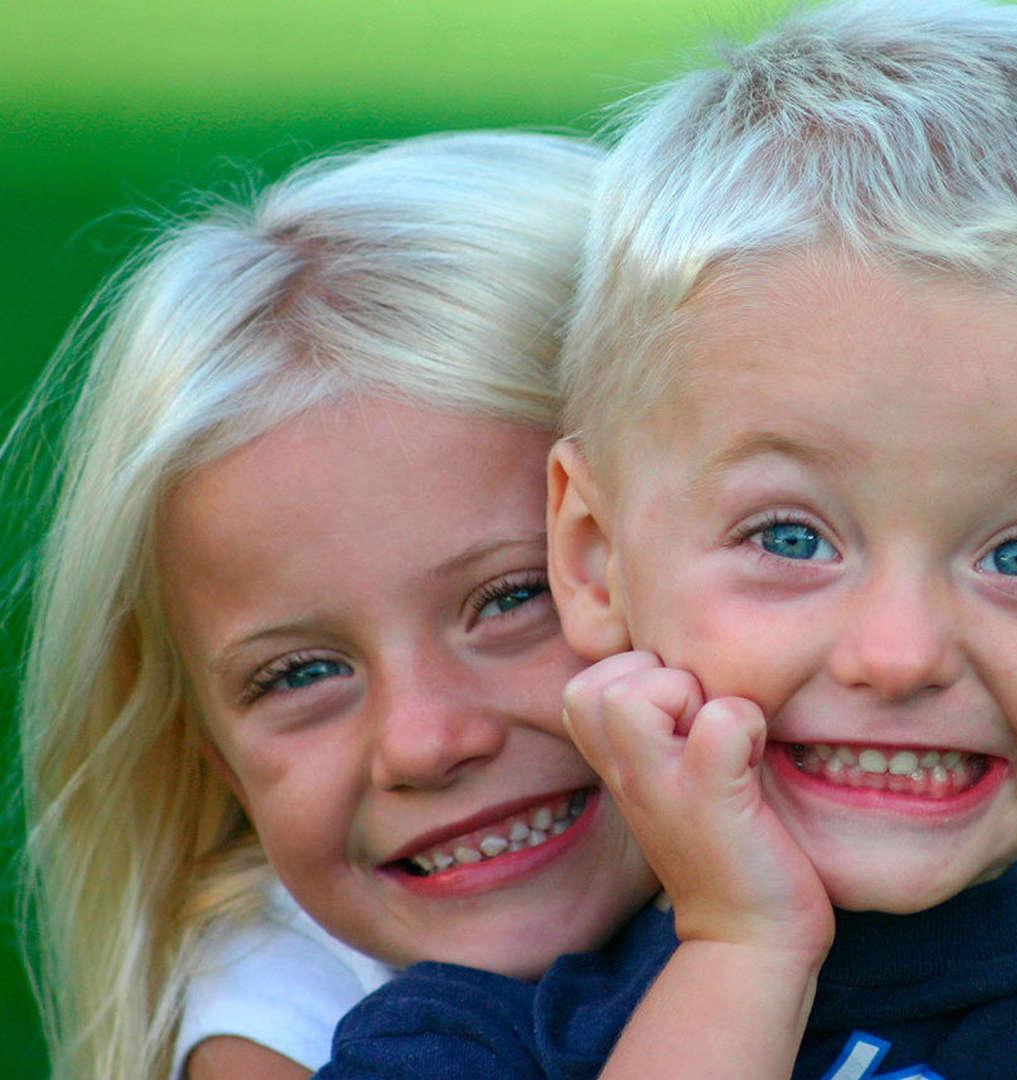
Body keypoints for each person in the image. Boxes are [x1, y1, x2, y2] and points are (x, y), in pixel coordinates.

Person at [316, 1, 1017, 1077]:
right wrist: (741, 951)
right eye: (791, 537)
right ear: (598, 557)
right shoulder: (461, 1044)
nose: (899, 656)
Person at [7, 131, 659, 1080]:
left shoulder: (892, 832)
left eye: (515, 598)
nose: (424, 742)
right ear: (221, 764)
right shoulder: (283, 1024)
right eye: (301, 674)